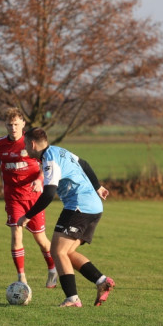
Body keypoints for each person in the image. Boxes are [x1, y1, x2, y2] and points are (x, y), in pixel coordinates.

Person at [17, 127, 115, 307]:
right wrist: (98, 187)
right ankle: (102, 281)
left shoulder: (49, 159)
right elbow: (84, 163)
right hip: (93, 207)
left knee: (57, 251)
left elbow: (48, 193)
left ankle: (72, 298)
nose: (24, 148)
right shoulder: (59, 150)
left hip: (79, 207)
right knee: (67, 252)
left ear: (32, 144)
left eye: (25, 145)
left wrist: (27, 216)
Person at [0, 108, 58, 288]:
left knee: (41, 240)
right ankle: (21, 277)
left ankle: (53, 269)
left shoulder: (31, 143)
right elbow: (0, 164)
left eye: (16, 124)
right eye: (9, 124)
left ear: (23, 124)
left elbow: (46, 166)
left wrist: (39, 180)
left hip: (34, 198)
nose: (12, 128)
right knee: (16, 235)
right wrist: (3, 183)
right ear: (5, 125)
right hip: (13, 197)